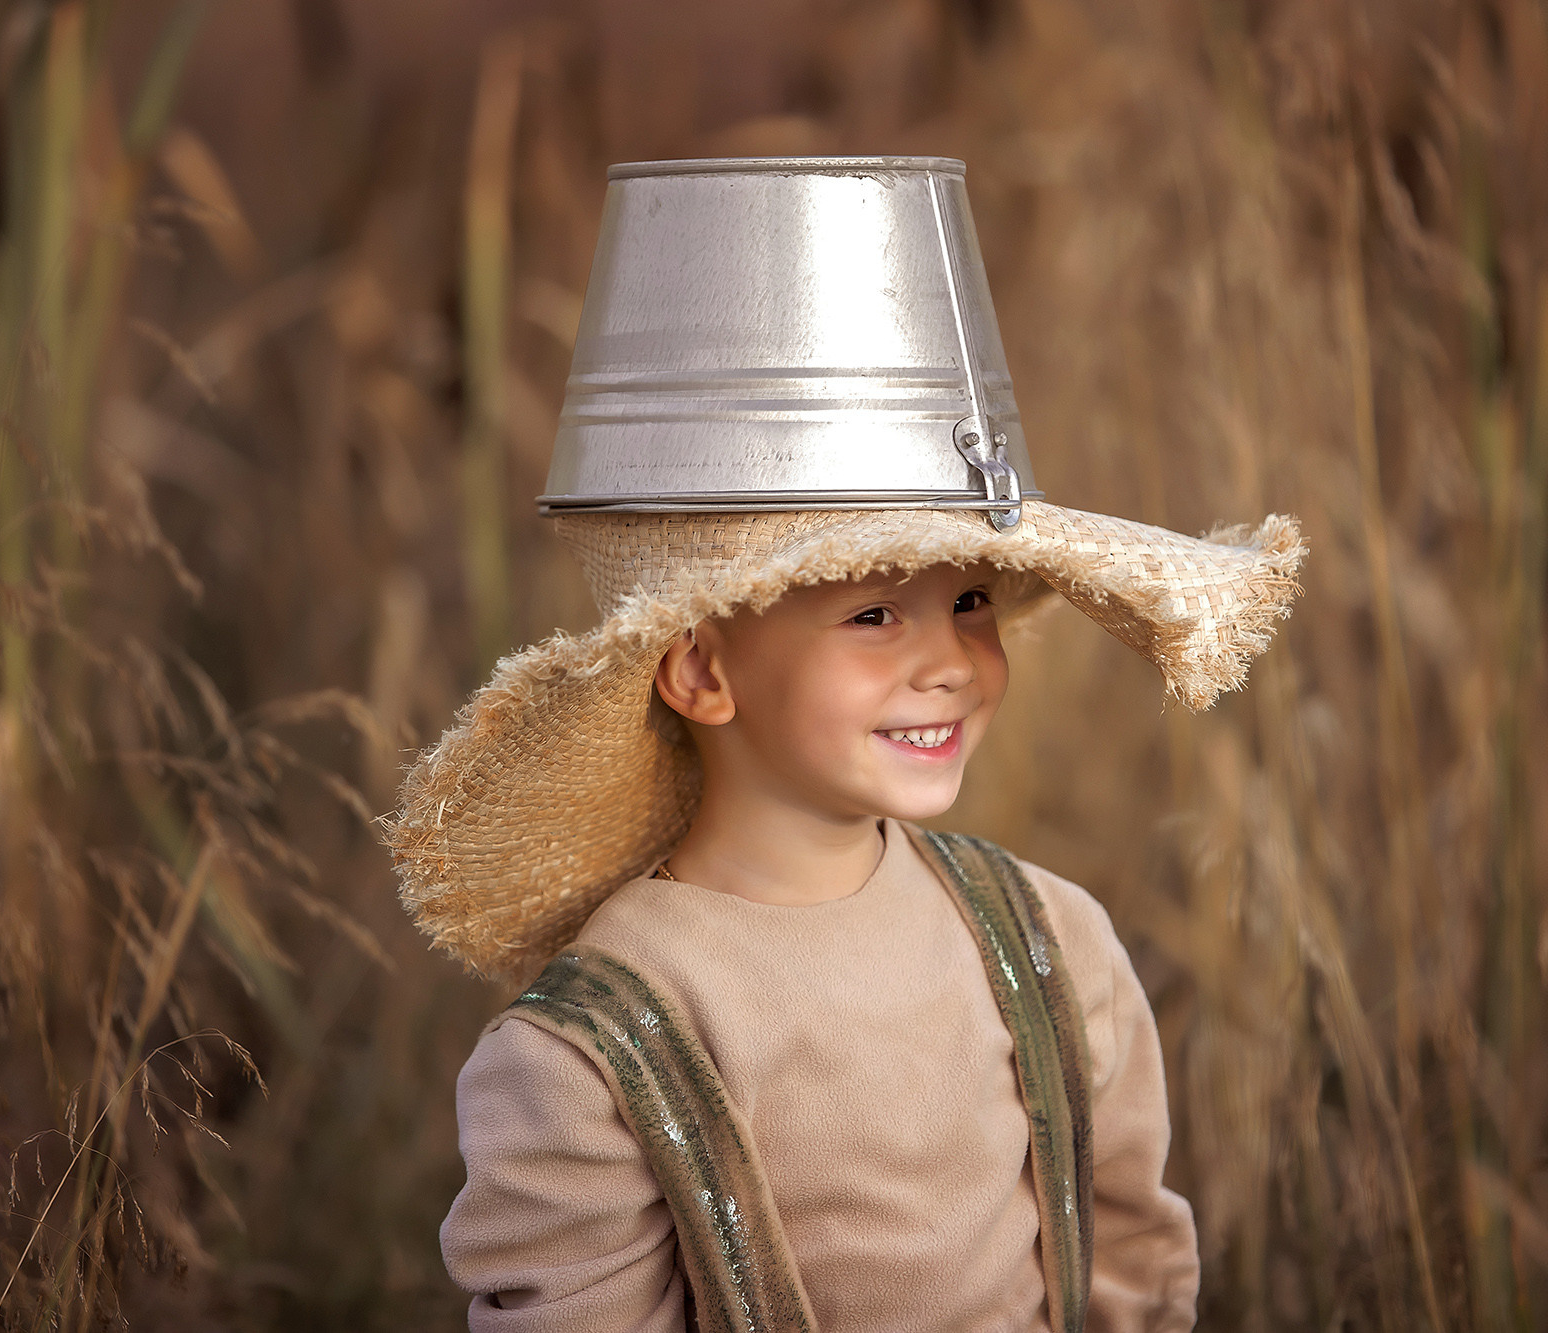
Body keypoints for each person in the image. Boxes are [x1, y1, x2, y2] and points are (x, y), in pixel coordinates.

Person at [388, 157, 1304, 1333]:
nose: (949, 660)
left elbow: (1130, 1267)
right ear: (703, 671)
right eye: (872, 614)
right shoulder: (592, 1054)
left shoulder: (1049, 945)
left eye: (969, 598)